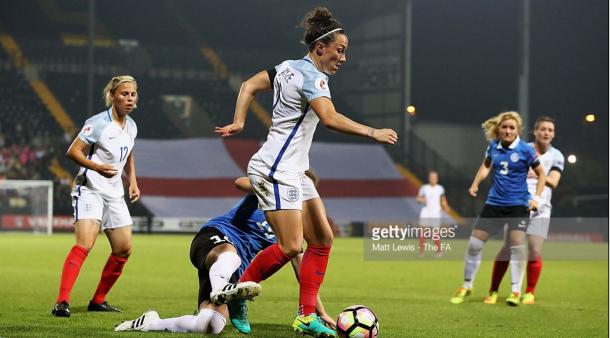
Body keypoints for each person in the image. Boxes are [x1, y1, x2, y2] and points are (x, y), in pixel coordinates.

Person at [214, 6, 397, 337]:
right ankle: (239, 293)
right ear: (320, 48)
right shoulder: (314, 77)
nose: (343, 58)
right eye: (339, 51)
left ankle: (305, 315)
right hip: (276, 170)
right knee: (290, 246)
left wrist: (240, 120)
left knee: (323, 238)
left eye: (345, 52)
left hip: (292, 169)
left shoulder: (285, 68)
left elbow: (247, 86)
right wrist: (373, 133)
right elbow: (329, 118)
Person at [115, 176, 336, 334]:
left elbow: (302, 272)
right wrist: (268, 184)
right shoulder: (268, 194)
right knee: (231, 255)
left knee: (210, 326)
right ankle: (224, 289)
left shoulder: (292, 231)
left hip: (230, 274)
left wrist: (320, 313)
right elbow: (240, 182)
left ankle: (150, 322)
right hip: (215, 240)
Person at [52, 75, 140, 317]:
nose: (129, 99)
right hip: (90, 188)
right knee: (85, 244)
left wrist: (132, 180)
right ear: (112, 96)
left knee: (123, 249)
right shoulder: (98, 123)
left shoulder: (131, 126)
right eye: (124, 94)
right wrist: (97, 167)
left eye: (133, 94)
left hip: (115, 194)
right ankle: (62, 301)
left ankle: (98, 300)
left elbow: (129, 152)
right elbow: (73, 151)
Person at [449, 111, 546, 306]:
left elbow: (541, 174)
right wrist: (476, 183)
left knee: (517, 248)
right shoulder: (493, 146)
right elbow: (486, 166)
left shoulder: (526, 150)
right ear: (498, 129)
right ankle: (467, 286)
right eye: (504, 127)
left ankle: (515, 291)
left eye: (512, 127)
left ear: (517, 130)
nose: (508, 130)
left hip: (518, 205)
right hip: (494, 204)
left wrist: (536, 198)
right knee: (474, 245)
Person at [486, 116, 564, 304]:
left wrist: (538, 174)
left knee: (535, 251)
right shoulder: (522, 149)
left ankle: (529, 292)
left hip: (541, 209)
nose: (546, 133)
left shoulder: (556, 156)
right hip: (517, 206)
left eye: (550, 130)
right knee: (507, 249)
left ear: (553, 134)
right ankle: (493, 290)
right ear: (535, 132)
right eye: (542, 129)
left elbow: (554, 181)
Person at [416, 170, 451, 257]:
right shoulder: (424, 188)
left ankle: (439, 251)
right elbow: (418, 198)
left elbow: (443, 200)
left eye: (435, 178)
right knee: (422, 231)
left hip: (436, 212)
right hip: (426, 211)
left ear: (437, 179)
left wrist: (446, 206)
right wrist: (421, 200)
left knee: (435, 233)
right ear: (429, 178)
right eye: (431, 178)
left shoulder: (440, 188)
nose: (433, 179)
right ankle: (421, 251)